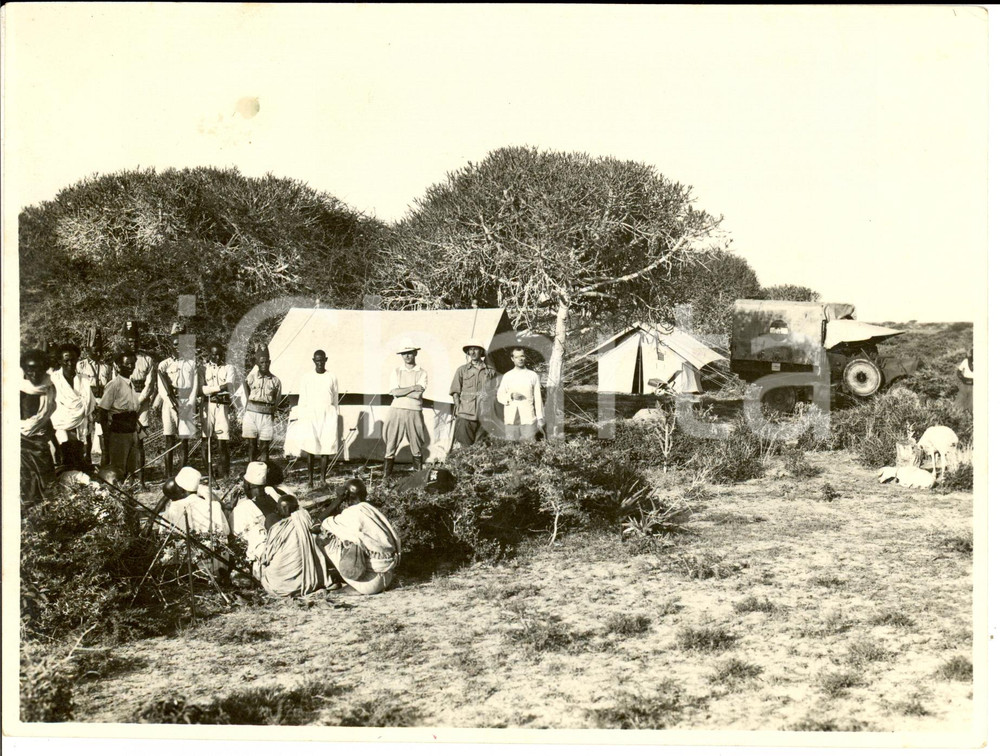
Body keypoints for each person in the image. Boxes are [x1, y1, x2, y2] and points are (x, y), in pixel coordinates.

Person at [233, 461, 330, 597]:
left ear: (247, 484)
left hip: (279, 571)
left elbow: (238, 537)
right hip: (305, 561)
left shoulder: (242, 509)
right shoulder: (280, 497)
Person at [316, 479, 401, 596]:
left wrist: (338, 500)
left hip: (370, 583)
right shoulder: (371, 510)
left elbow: (316, 525)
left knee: (321, 538)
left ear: (346, 495)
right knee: (349, 539)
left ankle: (347, 581)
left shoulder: (351, 514)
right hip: (387, 575)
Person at [292, 349, 341, 489]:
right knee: (311, 447)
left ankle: (323, 479)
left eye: (322, 360)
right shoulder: (307, 377)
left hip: (328, 414)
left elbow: (335, 398)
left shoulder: (332, 376)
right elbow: (303, 399)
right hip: (311, 415)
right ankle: (310, 480)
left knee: (326, 446)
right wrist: (302, 417)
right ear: (313, 361)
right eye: (317, 360)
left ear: (326, 359)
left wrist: (334, 414)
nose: (320, 363)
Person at [158, 331, 200, 478]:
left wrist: (189, 404)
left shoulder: (192, 364)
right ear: (171, 346)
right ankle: (168, 474)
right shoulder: (164, 365)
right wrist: (172, 405)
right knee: (169, 438)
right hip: (170, 403)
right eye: (175, 345)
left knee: (184, 439)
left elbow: (195, 386)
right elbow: (162, 389)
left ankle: (183, 474)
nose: (178, 348)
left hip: (185, 402)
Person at [383, 345, 429, 477]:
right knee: (391, 443)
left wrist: (403, 390)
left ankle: (418, 477)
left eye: (409, 353)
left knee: (416, 443)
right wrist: (413, 388)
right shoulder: (396, 371)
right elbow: (394, 392)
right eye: (404, 354)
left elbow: (418, 395)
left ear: (415, 353)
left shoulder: (422, 372)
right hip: (396, 410)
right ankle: (386, 478)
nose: (407, 356)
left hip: (414, 410)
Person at [50, 343, 96, 471]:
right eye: (66, 360)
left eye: (73, 360)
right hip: (60, 426)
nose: (70, 363)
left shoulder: (84, 380)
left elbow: (89, 405)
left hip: (81, 425)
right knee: (63, 461)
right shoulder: (54, 380)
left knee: (79, 459)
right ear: (60, 361)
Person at [97, 352, 143, 479]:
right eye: (127, 364)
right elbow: (102, 410)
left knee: (131, 467)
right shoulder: (114, 385)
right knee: (118, 468)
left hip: (131, 430)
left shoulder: (131, 384)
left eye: (133, 364)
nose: (131, 367)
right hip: (119, 432)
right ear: (118, 366)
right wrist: (107, 435)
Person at [21, 349, 57, 504]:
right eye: (30, 370)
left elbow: (46, 420)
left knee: (47, 484)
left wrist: (56, 444)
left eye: (38, 370)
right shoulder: (19, 390)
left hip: (41, 444)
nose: (34, 375)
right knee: (27, 485)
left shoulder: (48, 388)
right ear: (24, 370)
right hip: (22, 444)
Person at [124, 322, 156, 485]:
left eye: (135, 340)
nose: (133, 344)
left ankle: (141, 479)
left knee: (139, 442)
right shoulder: (121, 358)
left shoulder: (147, 359)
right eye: (129, 341)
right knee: (127, 441)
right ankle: (129, 477)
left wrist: (138, 401)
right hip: (125, 403)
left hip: (141, 404)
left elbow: (150, 384)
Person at [449, 341, 499, 448]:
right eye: (470, 350)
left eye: (475, 349)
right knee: (465, 446)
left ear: (481, 351)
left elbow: (496, 390)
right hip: (465, 414)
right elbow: (455, 392)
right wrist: (458, 408)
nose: (472, 352)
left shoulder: (490, 371)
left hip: (484, 415)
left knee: (480, 447)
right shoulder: (462, 370)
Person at [200, 342, 236, 479]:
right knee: (206, 440)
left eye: (219, 355)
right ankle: (209, 474)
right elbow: (201, 389)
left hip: (222, 406)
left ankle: (225, 474)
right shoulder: (203, 369)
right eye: (214, 354)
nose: (216, 358)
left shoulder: (229, 368)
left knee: (223, 441)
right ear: (209, 354)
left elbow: (230, 385)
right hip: (207, 405)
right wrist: (219, 388)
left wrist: (210, 389)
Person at [242, 344, 282, 462]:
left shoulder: (275, 381)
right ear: (257, 363)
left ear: (270, 362)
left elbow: (277, 399)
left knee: (265, 446)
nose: (264, 365)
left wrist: (271, 411)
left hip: (267, 415)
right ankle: (251, 473)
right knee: (251, 445)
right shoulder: (251, 378)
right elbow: (246, 393)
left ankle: (263, 474)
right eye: (261, 362)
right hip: (251, 414)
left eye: (266, 362)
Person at [77, 334, 112, 465]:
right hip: (87, 402)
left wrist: (102, 403)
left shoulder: (106, 367)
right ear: (87, 350)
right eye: (94, 350)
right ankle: (87, 463)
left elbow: (109, 386)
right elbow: (79, 387)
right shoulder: (80, 366)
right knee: (86, 432)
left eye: (100, 350)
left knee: (104, 432)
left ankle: (104, 463)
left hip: (102, 402)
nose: (98, 353)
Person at [496, 347, 544, 442]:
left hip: (528, 418)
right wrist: (511, 396)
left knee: (529, 447)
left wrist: (540, 417)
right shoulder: (507, 376)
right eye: (517, 357)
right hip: (511, 419)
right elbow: (499, 396)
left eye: (522, 356)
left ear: (525, 357)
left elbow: (538, 398)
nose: (520, 359)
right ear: (512, 359)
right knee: (511, 448)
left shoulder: (532, 375)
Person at [956, 348, 973, 414]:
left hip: (974, 384)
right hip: (965, 384)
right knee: (960, 403)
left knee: (972, 404)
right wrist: (963, 379)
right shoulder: (966, 361)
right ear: (971, 354)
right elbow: (958, 372)